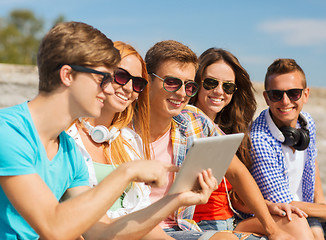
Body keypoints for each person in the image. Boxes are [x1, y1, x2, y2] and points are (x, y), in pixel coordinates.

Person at [0, 22, 215, 240]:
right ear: (68, 75)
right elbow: (53, 227)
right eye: (103, 77)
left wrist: (178, 199)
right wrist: (127, 172)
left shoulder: (68, 151)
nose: (110, 87)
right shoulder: (7, 132)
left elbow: (102, 232)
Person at [143, 40, 308, 240]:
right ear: (147, 80)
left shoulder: (195, 121)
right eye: (171, 82)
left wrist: (271, 226)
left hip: (191, 226)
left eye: (188, 86)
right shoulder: (125, 132)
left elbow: (238, 174)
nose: (180, 92)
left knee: (290, 228)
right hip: (173, 228)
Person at [67, 41, 220, 239]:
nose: (129, 88)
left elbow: (142, 222)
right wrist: (128, 172)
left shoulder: (129, 141)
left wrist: (180, 199)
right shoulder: (66, 139)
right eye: (121, 76)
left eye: (138, 83)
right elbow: (95, 230)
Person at [190, 47, 313, 239]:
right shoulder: (185, 127)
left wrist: (269, 206)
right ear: (196, 83)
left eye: (228, 86)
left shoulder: (229, 132)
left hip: (231, 219)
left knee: (294, 219)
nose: (219, 91)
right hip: (202, 226)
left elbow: (233, 198)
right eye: (210, 83)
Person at [250, 58, 326, 240]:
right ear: (266, 97)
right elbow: (284, 205)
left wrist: (321, 203)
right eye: (276, 94)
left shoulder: (306, 122)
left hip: (306, 212)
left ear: (305, 94)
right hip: (280, 220)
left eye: (293, 93)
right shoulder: (259, 140)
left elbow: (312, 159)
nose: (285, 101)